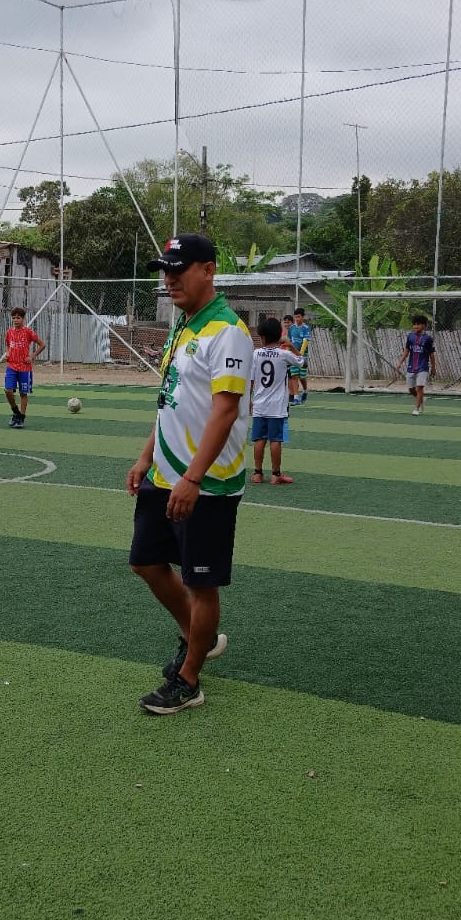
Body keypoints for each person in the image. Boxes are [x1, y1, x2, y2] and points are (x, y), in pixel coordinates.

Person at [126, 233, 251, 716]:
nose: (170, 279)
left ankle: (189, 679)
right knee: (146, 563)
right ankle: (198, 636)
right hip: (163, 473)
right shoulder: (183, 326)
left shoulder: (228, 331)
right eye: (165, 271)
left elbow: (225, 411)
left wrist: (193, 479)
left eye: (179, 270)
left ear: (209, 270)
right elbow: (171, 400)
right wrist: (145, 457)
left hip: (207, 482)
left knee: (202, 583)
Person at [250, 317, 304, 485]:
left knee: (259, 439)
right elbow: (301, 362)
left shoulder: (256, 354)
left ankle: (257, 473)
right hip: (277, 406)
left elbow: (251, 379)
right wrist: (291, 346)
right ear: (279, 336)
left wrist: (250, 400)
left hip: (259, 404)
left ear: (262, 337)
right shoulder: (284, 354)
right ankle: (275, 475)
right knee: (275, 440)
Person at [4, 307, 46, 427]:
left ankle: (21, 417)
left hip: (24, 368)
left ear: (23, 319)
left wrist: (32, 356)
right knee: (8, 390)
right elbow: (8, 344)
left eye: (18, 318)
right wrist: (8, 353)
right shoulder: (9, 332)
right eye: (14, 318)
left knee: (23, 393)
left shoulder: (28, 332)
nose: (15, 320)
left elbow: (42, 345)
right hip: (11, 366)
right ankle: (15, 412)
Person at [395, 314, 436, 414]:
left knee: (419, 388)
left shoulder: (428, 339)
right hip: (411, 367)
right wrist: (399, 362)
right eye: (414, 324)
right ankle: (421, 399)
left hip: (423, 367)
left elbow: (431, 354)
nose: (415, 326)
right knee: (411, 390)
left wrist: (433, 367)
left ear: (424, 325)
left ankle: (416, 409)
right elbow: (406, 351)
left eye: (418, 324)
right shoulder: (410, 336)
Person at [287, 307, 312, 403]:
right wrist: (289, 353)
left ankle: (305, 391)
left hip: (302, 355)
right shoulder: (291, 328)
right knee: (294, 375)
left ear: (303, 317)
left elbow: (305, 341)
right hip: (293, 354)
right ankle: (296, 397)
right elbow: (289, 341)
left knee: (302, 377)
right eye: (296, 317)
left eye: (299, 317)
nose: (297, 319)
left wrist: (300, 354)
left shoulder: (306, 328)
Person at [281, 314, 300, 403]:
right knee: (288, 377)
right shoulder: (283, 332)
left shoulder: (295, 332)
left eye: (288, 322)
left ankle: (296, 395)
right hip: (284, 357)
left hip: (293, 356)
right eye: (285, 322)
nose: (286, 324)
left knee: (294, 376)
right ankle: (291, 394)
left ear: (292, 323)